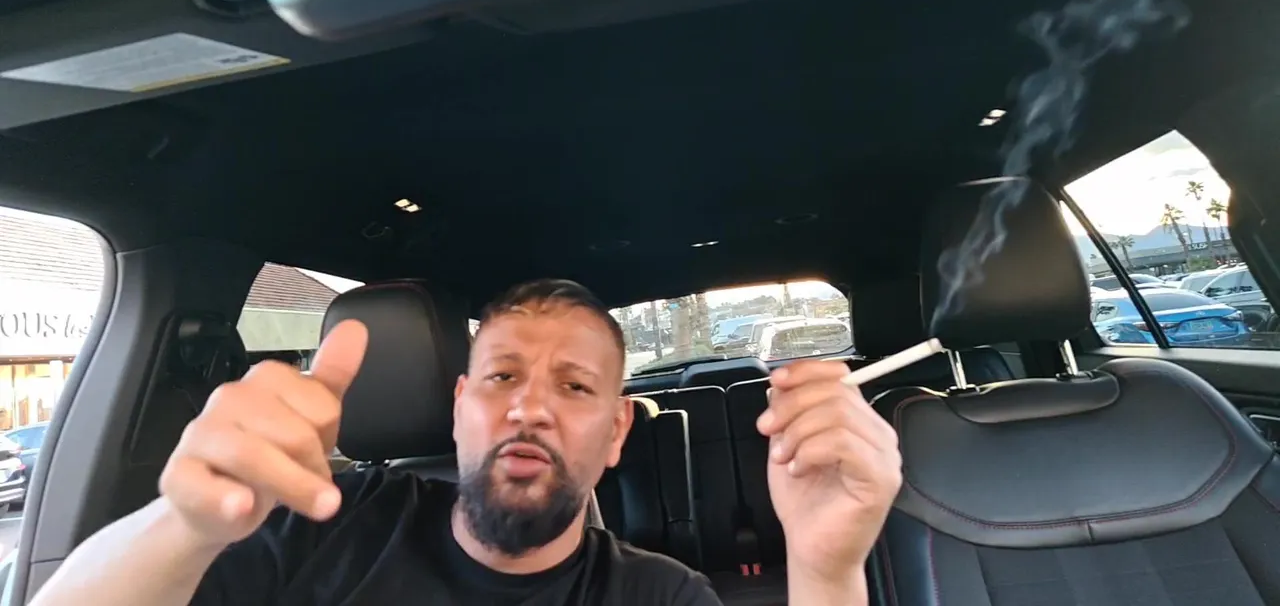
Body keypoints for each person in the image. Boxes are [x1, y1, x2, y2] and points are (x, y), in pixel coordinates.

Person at [30, 279, 901, 605]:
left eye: (574, 387)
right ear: (458, 409)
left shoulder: (657, 595)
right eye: (501, 376)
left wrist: (825, 569)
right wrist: (183, 525)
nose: (529, 409)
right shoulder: (316, 522)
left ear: (616, 434)